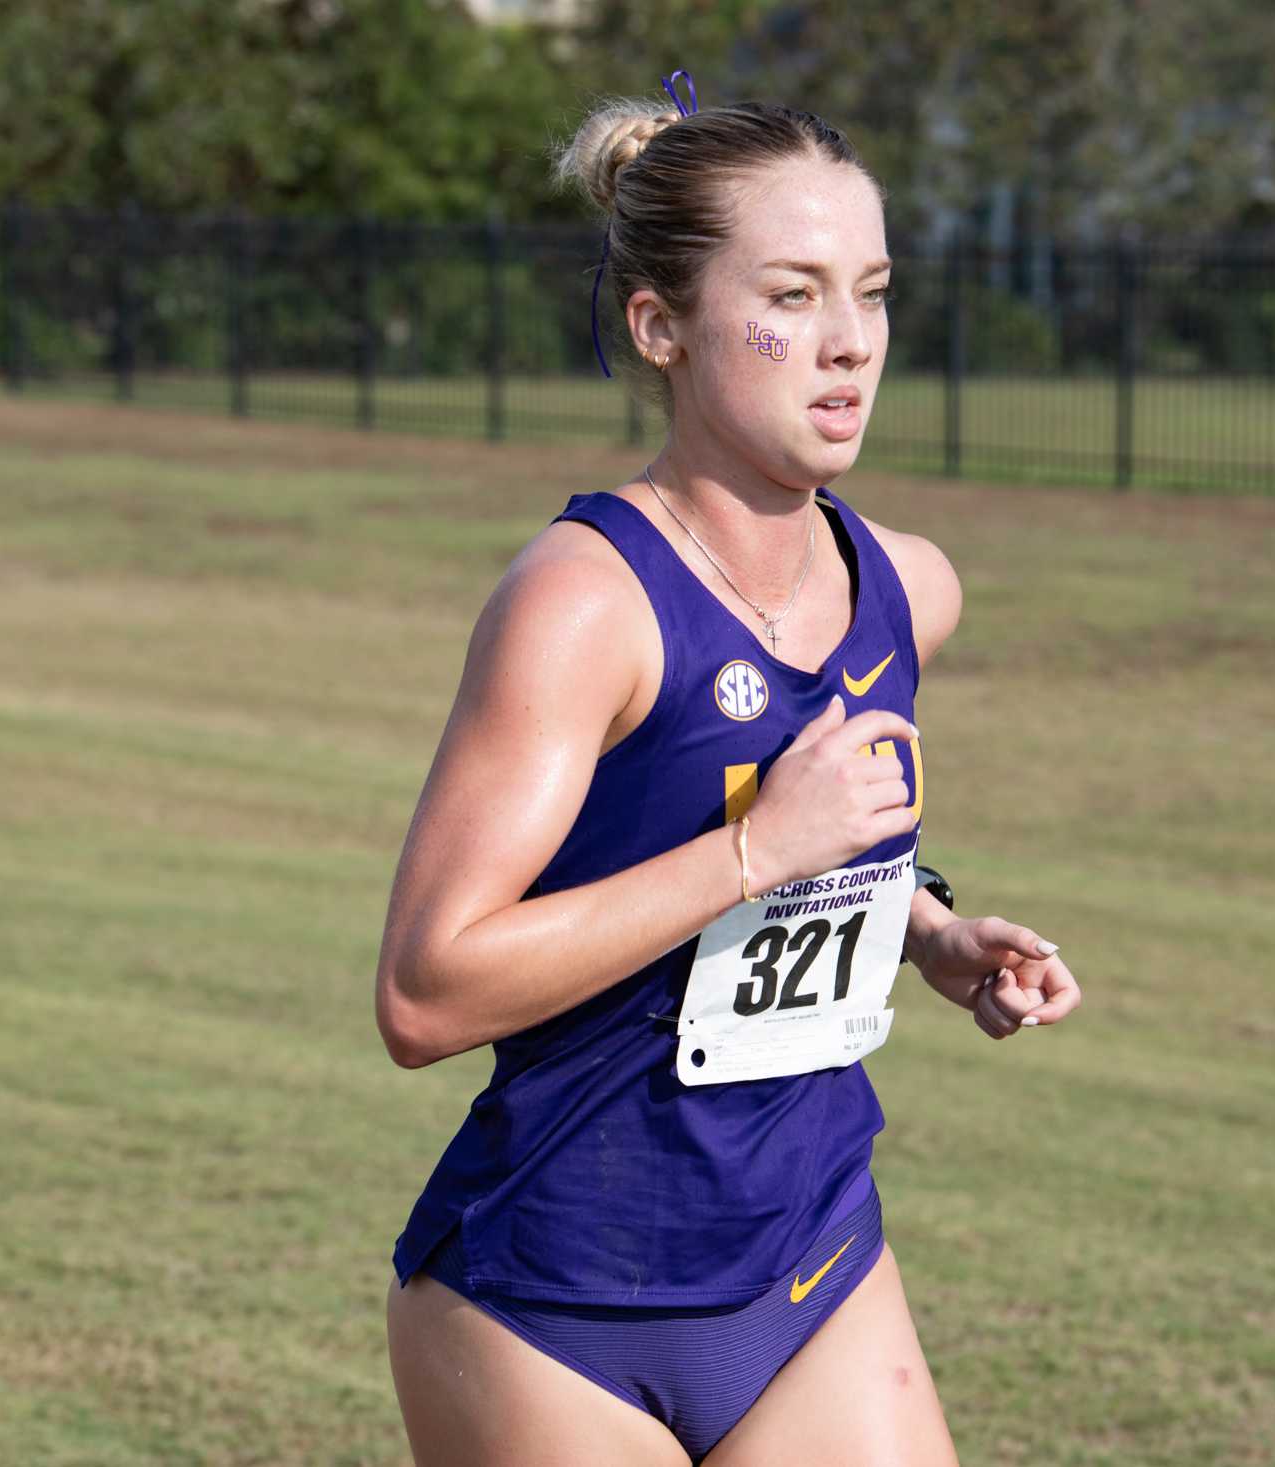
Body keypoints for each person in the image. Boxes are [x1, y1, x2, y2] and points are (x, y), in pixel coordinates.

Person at [376, 75, 1081, 1467]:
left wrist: (926, 929)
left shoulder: (908, 591)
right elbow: (425, 990)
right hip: (553, 1306)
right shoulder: (585, 605)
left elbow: (801, 840)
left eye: (870, 294)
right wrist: (759, 855)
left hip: (810, 1259)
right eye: (795, 295)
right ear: (663, 329)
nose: (849, 347)